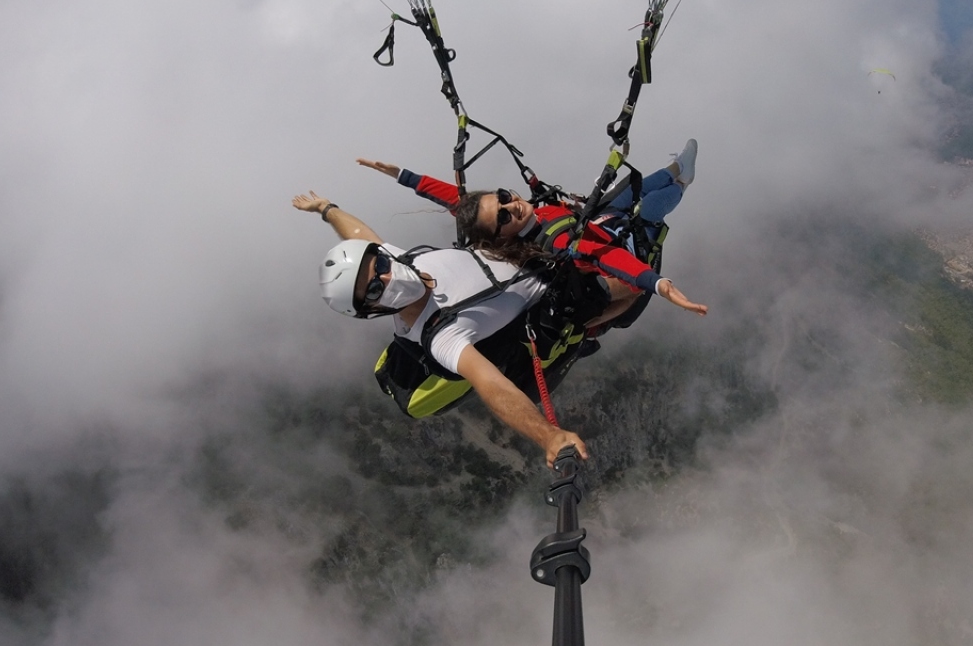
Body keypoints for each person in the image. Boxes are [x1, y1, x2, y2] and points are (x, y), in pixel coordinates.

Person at [291, 191, 587, 468]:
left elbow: (360, 236)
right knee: (612, 289)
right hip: (560, 291)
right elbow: (492, 386)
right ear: (371, 312)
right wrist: (548, 436)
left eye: (379, 263)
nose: (387, 277)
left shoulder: (404, 261)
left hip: (527, 253)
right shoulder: (439, 337)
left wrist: (326, 209)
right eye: (373, 291)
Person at [357, 139, 708, 327]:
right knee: (646, 211)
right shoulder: (552, 240)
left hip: (601, 221)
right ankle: (681, 182)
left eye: (506, 198)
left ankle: (676, 168)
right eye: (505, 216)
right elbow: (604, 255)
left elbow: (455, 198)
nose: (513, 206)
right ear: (500, 238)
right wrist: (659, 284)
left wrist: (402, 175)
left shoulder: (527, 216)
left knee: (629, 189)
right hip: (622, 245)